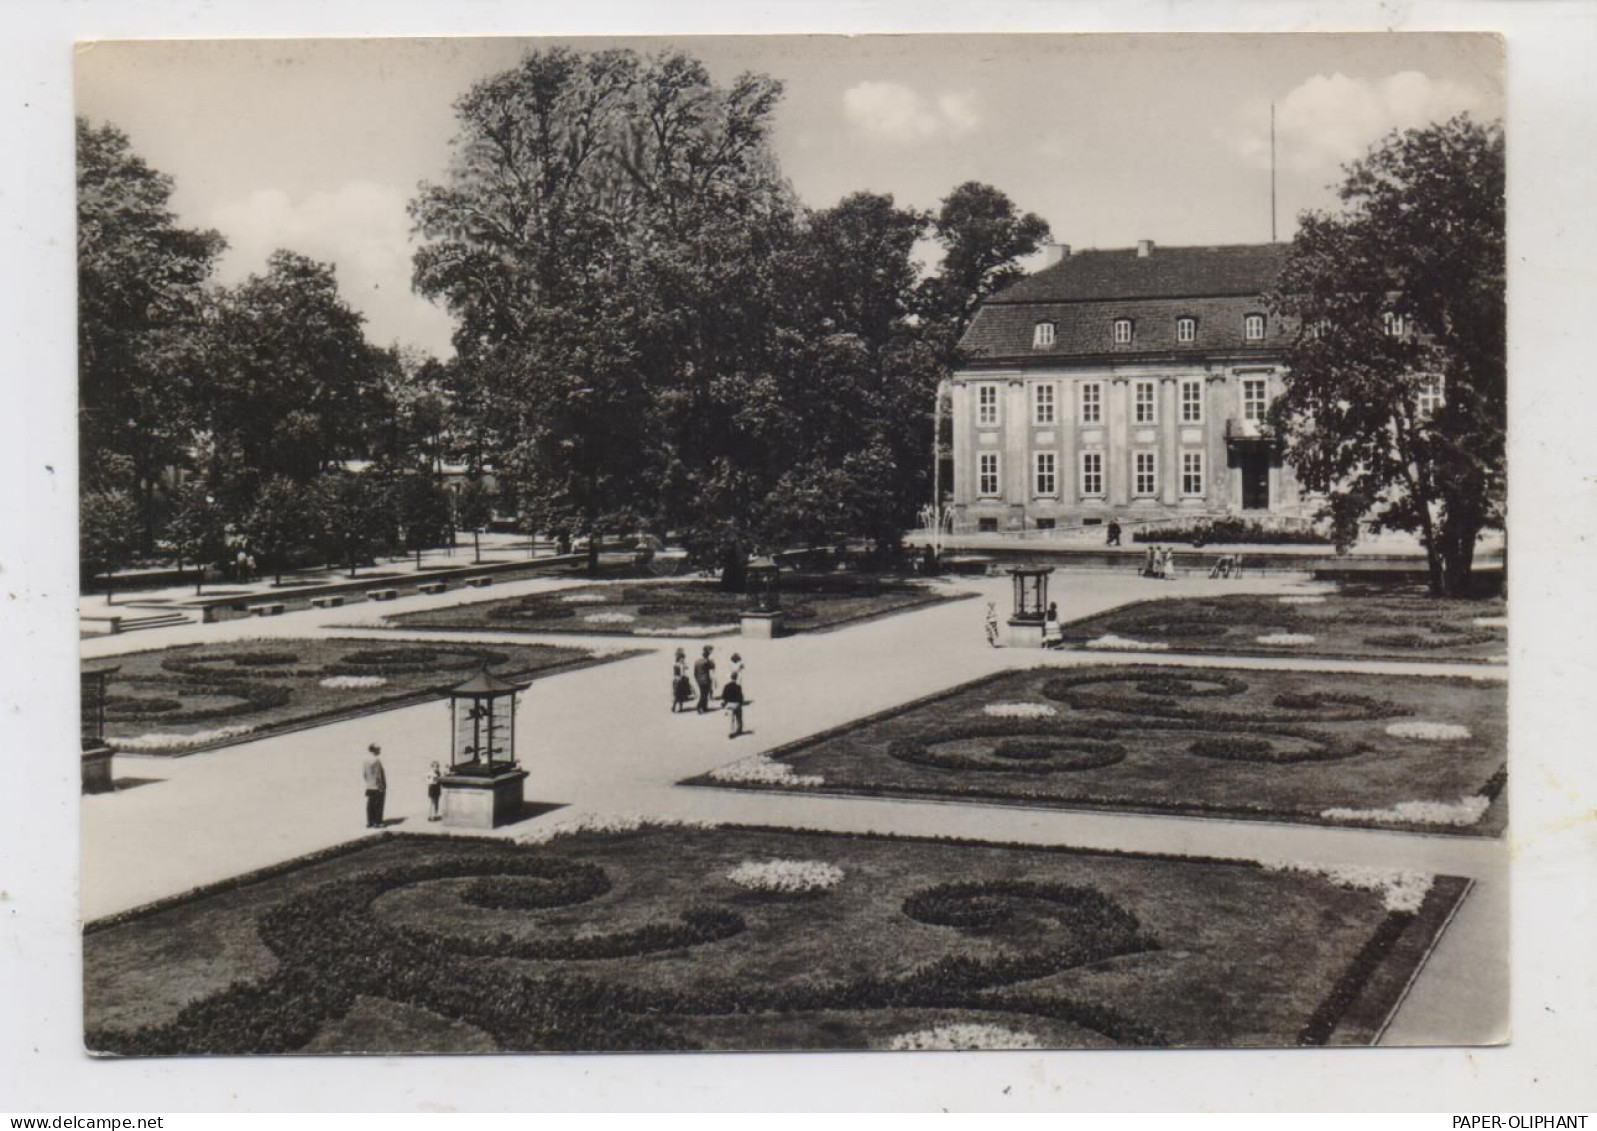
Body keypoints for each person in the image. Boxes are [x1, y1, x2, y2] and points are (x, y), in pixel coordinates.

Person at [722, 653, 747, 738]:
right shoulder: (738, 686)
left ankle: (731, 731)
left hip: (729, 704)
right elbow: (741, 697)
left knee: (731, 719)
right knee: (739, 717)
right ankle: (739, 729)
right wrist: (741, 703)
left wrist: (725, 704)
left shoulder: (726, 686)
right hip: (736, 704)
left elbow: (724, 696)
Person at [363, 743, 387, 829]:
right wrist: (381, 786)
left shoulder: (366, 760)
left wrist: (369, 782)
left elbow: (364, 774)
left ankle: (370, 821)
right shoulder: (376, 760)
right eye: (378, 749)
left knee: (370, 804)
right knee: (378, 805)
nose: (380, 751)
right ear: (374, 750)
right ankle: (378, 822)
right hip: (377, 786)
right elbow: (378, 775)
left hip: (369, 786)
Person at [693, 646, 716, 714]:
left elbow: (695, 673)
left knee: (703, 694)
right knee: (705, 694)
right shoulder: (707, 661)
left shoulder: (697, 661)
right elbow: (712, 667)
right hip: (706, 680)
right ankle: (700, 707)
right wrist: (712, 661)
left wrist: (697, 680)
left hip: (700, 681)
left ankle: (704, 707)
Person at [671, 648, 692, 713]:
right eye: (681, 658)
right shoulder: (676, 665)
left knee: (682, 695)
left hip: (682, 681)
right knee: (677, 695)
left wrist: (683, 664)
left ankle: (680, 708)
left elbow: (687, 667)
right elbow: (676, 675)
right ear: (679, 658)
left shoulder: (682, 665)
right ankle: (674, 707)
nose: (683, 659)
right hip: (678, 682)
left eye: (683, 658)